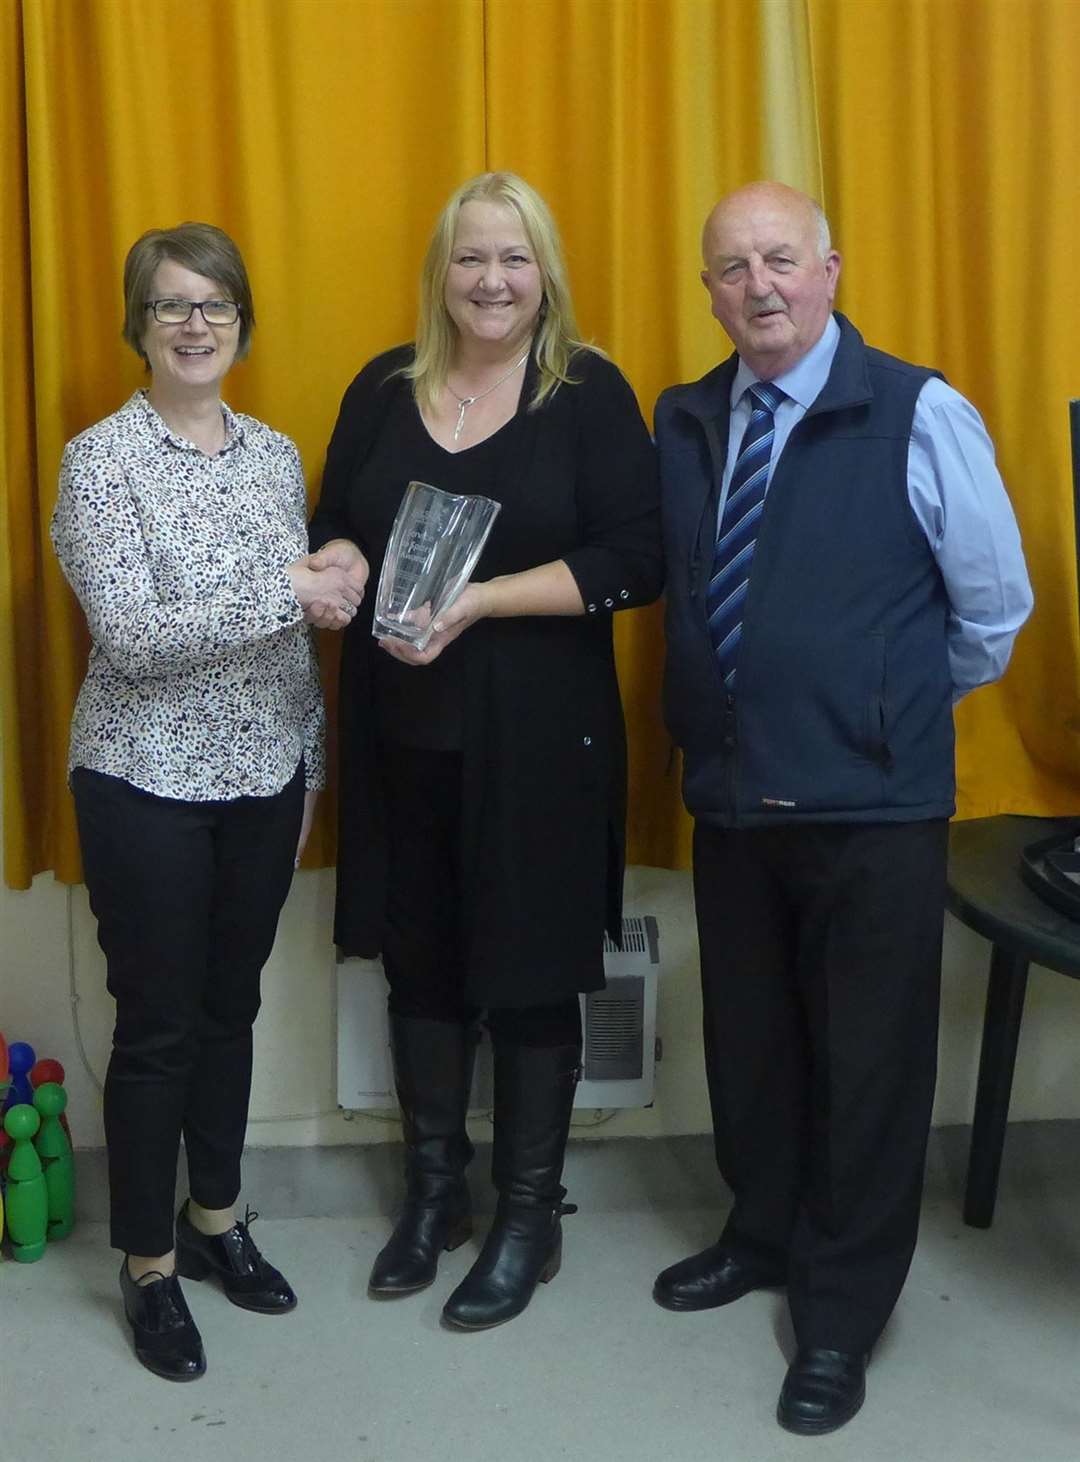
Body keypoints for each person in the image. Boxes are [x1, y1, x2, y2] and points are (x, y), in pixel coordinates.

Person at [653, 182, 1033, 1434]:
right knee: (753, 1046)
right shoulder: (691, 416)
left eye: (780, 260)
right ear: (707, 289)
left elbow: (991, 612)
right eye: (730, 268)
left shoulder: (921, 411)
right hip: (734, 797)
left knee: (870, 1067)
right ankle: (762, 1231)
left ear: (830, 269)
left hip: (875, 806)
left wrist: (878, 704)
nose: (757, 285)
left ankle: (841, 1310)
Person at [307, 171, 662, 1329]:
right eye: (471, 259)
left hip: (541, 745)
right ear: (440, 274)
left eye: (514, 259)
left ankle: (526, 1218)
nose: (492, 281)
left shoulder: (589, 394)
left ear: (545, 271)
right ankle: (434, 1196)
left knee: (528, 974)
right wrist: (343, 563)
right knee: (421, 966)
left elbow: (638, 557)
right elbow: (333, 520)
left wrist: (482, 597)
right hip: (402, 734)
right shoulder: (383, 386)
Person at [51, 222, 364, 1381]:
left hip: (264, 775)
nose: (195, 324)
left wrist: (309, 769)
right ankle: (147, 1266)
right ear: (139, 324)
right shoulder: (101, 460)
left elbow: (292, 649)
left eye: (216, 306)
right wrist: (289, 583)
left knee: (231, 1006)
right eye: (173, 305)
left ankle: (217, 1219)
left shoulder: (276, 456)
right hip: (144, 778)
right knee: (160, 1024)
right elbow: (132, 637)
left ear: (241, 324)